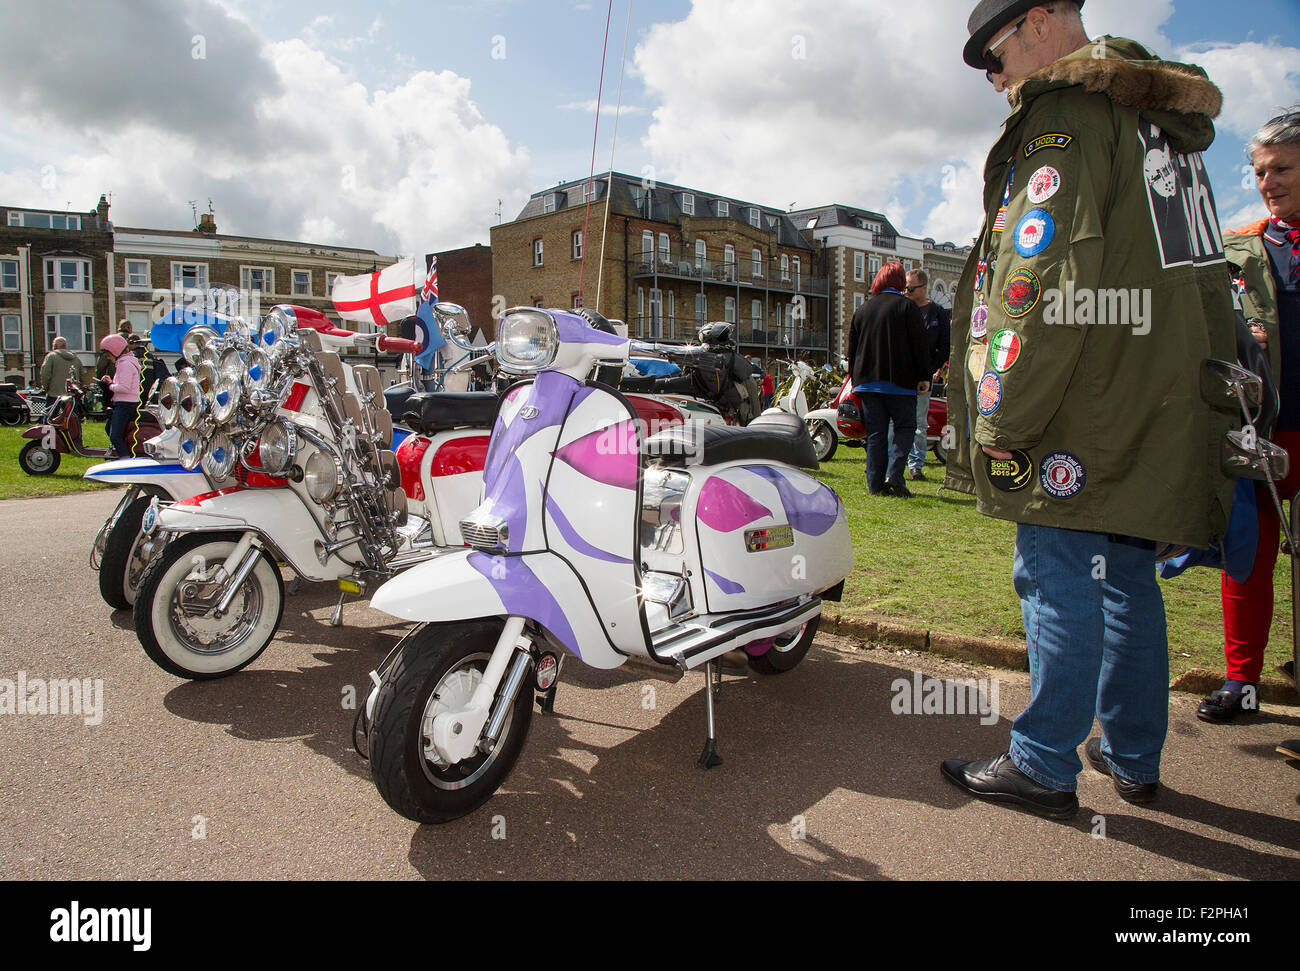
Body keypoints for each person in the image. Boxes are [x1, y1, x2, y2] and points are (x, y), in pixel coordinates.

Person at [940, 1, 1236, 818]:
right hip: (1149, 397)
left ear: (1039, 21)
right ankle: (1133, 753)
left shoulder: (1068, 114)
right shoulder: (1154, 120)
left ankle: (1042, 762)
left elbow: (1041, 283)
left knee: (1056, 573)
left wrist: (1004, 419)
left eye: (994, 59)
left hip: (1079, 404)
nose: (996, 80)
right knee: (1125, 578)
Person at [1199, 109, 1300, 730]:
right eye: (1260, 171)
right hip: (1261, 431)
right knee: (1248, 555)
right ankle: (1244, 683)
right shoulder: (1237, 245)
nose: (1269, 182)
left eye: (1283, 168)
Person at [846, 260, 930, 497]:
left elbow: (852, 349)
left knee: (876, 434)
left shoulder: (862, 310)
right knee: (905, 427)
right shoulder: (908, 308)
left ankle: (874, 484)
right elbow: (919, 345)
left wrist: (853, 377)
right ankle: (894, 474)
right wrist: (924, 376)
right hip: (901, 382)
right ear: (900, 282)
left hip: (868, 382)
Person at [904, 269, 952, 480]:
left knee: (920, 424)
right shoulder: (903, 310)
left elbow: (944, 345)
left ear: (923, 288)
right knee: (897, 421)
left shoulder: (938, 313)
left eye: (910, 288)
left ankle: (915, 465)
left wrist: (933, 368)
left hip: (923, 375)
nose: (906, 291)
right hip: (902, 374)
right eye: (905, 287)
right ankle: (896, 462)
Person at [99, 333, 141, 458]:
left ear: (115, 351)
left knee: (115, 436)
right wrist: (112, 383)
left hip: (125, 404)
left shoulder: (125, 364)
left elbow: (124, 387)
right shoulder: (125, 362)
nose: (108, 358)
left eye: (108, 355)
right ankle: (121, 454)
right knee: (109, 427)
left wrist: (108, 385)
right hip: (125, 403)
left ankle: (125, 461)